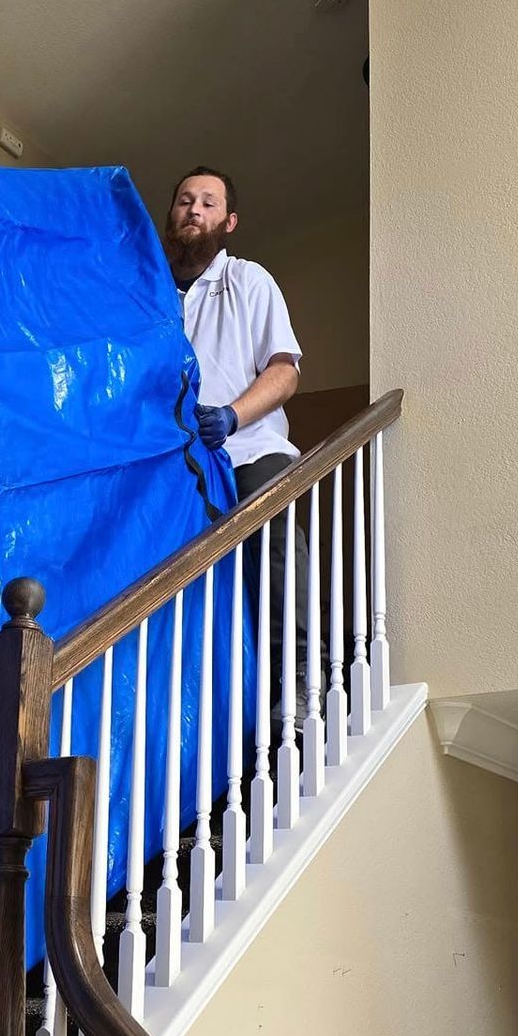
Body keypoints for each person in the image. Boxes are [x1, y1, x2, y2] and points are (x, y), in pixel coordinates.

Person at [164, 166, 311, 722]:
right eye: (184, 200)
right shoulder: (152, 294)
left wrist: (231, 416)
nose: (194, 210)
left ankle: (301, 672)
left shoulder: (248, 280)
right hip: (172, 464)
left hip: (247, 448)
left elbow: (284, 371)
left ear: (228, 222)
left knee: (271, 538)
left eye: (208, 202)